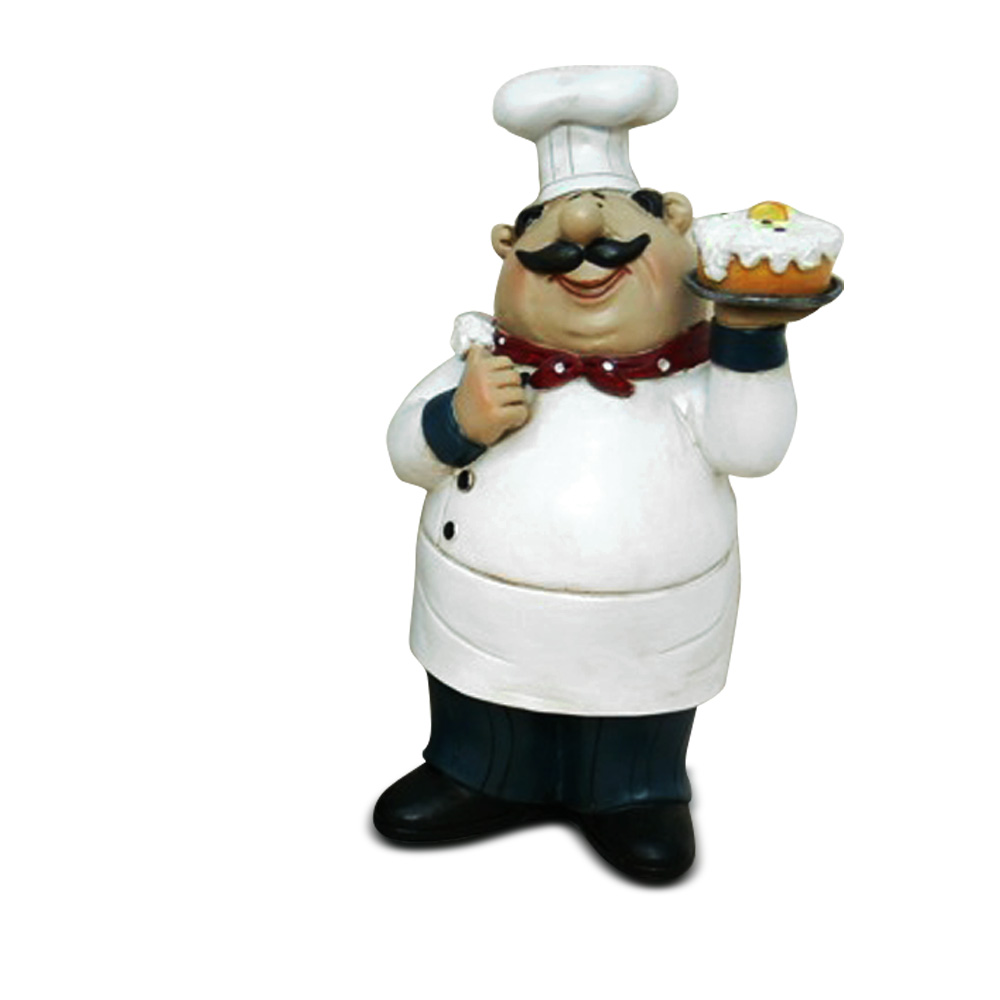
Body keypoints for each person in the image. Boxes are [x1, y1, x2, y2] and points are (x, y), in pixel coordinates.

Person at [372, 66, 813, 883]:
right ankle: (478, 773)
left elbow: (753, 447)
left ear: (676, 224)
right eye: (550, 231)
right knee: (483, 704)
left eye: (614, 218)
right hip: (483, 617)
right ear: (506, 251)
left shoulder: (694, 381)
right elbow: (405, 453)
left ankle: (632, 792)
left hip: (651, 627)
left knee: (634, 716)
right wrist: (459, 421)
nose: (581, 239)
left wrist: (751, 336)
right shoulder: (480, 362)